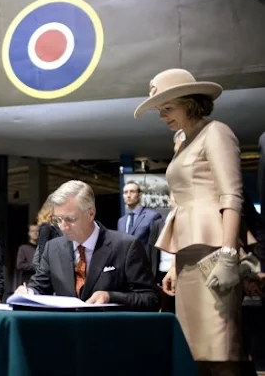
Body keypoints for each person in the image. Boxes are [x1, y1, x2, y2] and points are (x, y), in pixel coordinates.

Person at [134, 68, 250, 375]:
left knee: (221, 348)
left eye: (167, 108)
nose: (162, 116)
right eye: (160, 110)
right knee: (194, 351)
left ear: (190, 103)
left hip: (214, 252)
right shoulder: (182, 141)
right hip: (187, 255)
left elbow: (231, 195)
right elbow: (180, 203)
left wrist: (228, 255)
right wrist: (173, 264)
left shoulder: (217, 132)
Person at [15, 180, 159, 312]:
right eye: (58, 219)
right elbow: (40, 286)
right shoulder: (52, 248)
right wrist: (28, 293)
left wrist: (111, 296)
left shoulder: (126, 246)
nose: (63, 227)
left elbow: (150, 298)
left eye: (70, 219)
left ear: (91, 213)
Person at [32, 199, 61, 270]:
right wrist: (44, 268)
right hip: (48, 265)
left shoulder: (55, 226)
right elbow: (42, 247)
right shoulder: (46, 227)